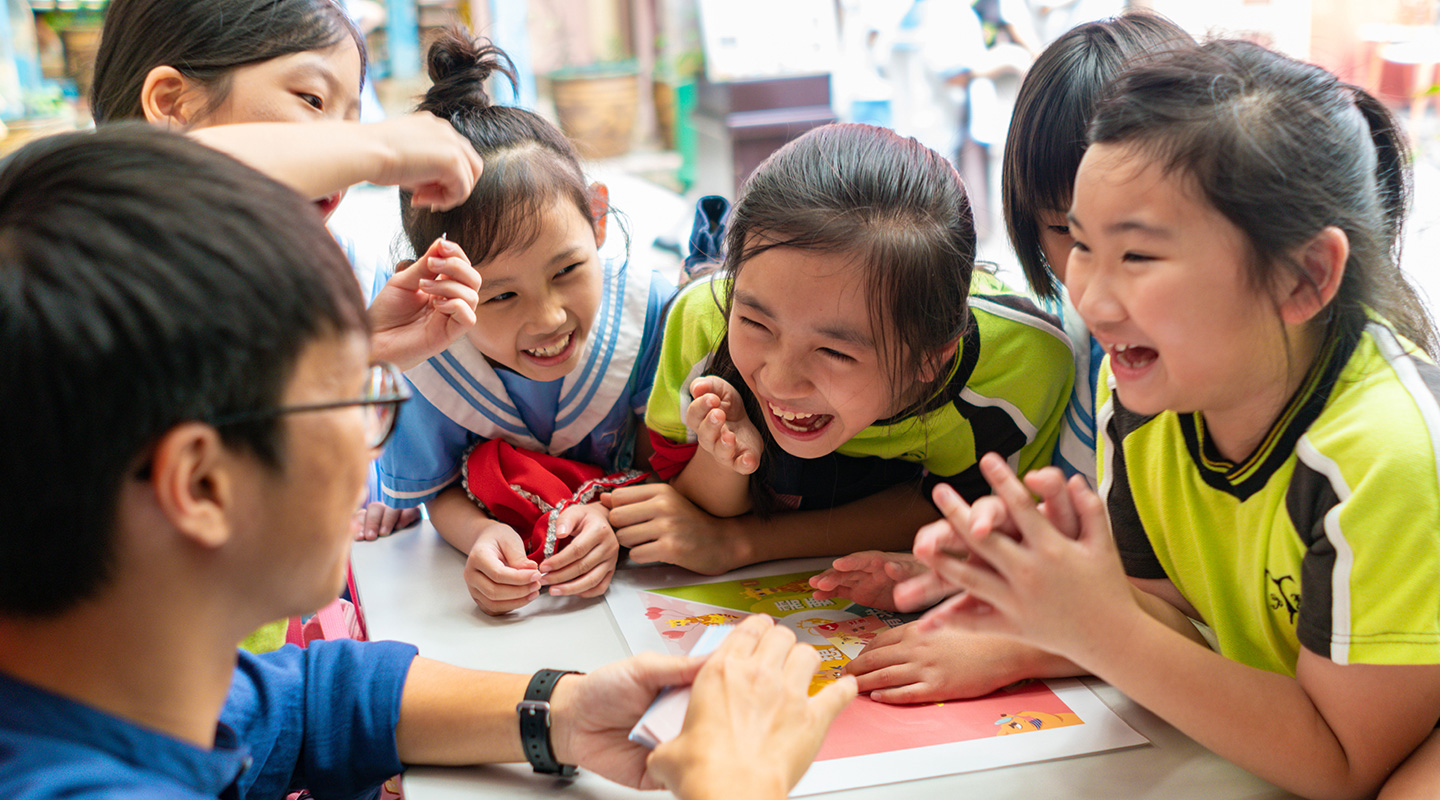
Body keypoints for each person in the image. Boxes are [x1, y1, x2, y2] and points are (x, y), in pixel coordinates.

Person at [0, 124, 854, 800]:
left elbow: (307, 701)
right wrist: (731, 783)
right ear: (202, 483)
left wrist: (560, 711)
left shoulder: (112, 682)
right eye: (352, 395)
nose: (376, 432)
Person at [903, 40, 1440, 800]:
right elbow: (1167, 609)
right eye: (1080, 243)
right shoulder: (1151, 400)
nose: (1089, 296)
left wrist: (1097, 630)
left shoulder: (1387, 452)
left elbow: (1345, 764)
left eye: (1139, 257)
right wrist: (1045, 598)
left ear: (1306, 276)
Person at [807, 13, 1194, 706]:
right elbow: (1120, 575)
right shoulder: (1085, 348)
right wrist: (976, 580)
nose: (1097, 287)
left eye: (1134, 245)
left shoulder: (1209, 385)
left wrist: (1018, 645)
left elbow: (1216, 622)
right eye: (1065, 234)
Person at [92, 0, 491, 549]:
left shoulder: (281, 285)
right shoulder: (83, 254)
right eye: (312, 100)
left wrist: (359, 358)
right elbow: (149, 175)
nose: (340, 154)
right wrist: (377, 145)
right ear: (171, 104)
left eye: (352, 119)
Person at [608, 123, 1072, 574]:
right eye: (754, 322)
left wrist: (742, 544)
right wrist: (721, 454)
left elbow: (970, 517)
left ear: (932, 357)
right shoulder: (704, 320)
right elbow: (679, 503)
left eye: (834, 353)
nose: (779, 380)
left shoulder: (1021, 365)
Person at [366, 30, 678, 613]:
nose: (550, 317)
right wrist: (480, 536)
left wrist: (607, 520)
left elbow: (667, 466)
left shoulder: (648, 317)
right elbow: (436, 492)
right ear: (434, 285)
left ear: (598, 218)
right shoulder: (427, 359)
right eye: (502, 296)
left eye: (567, 271)